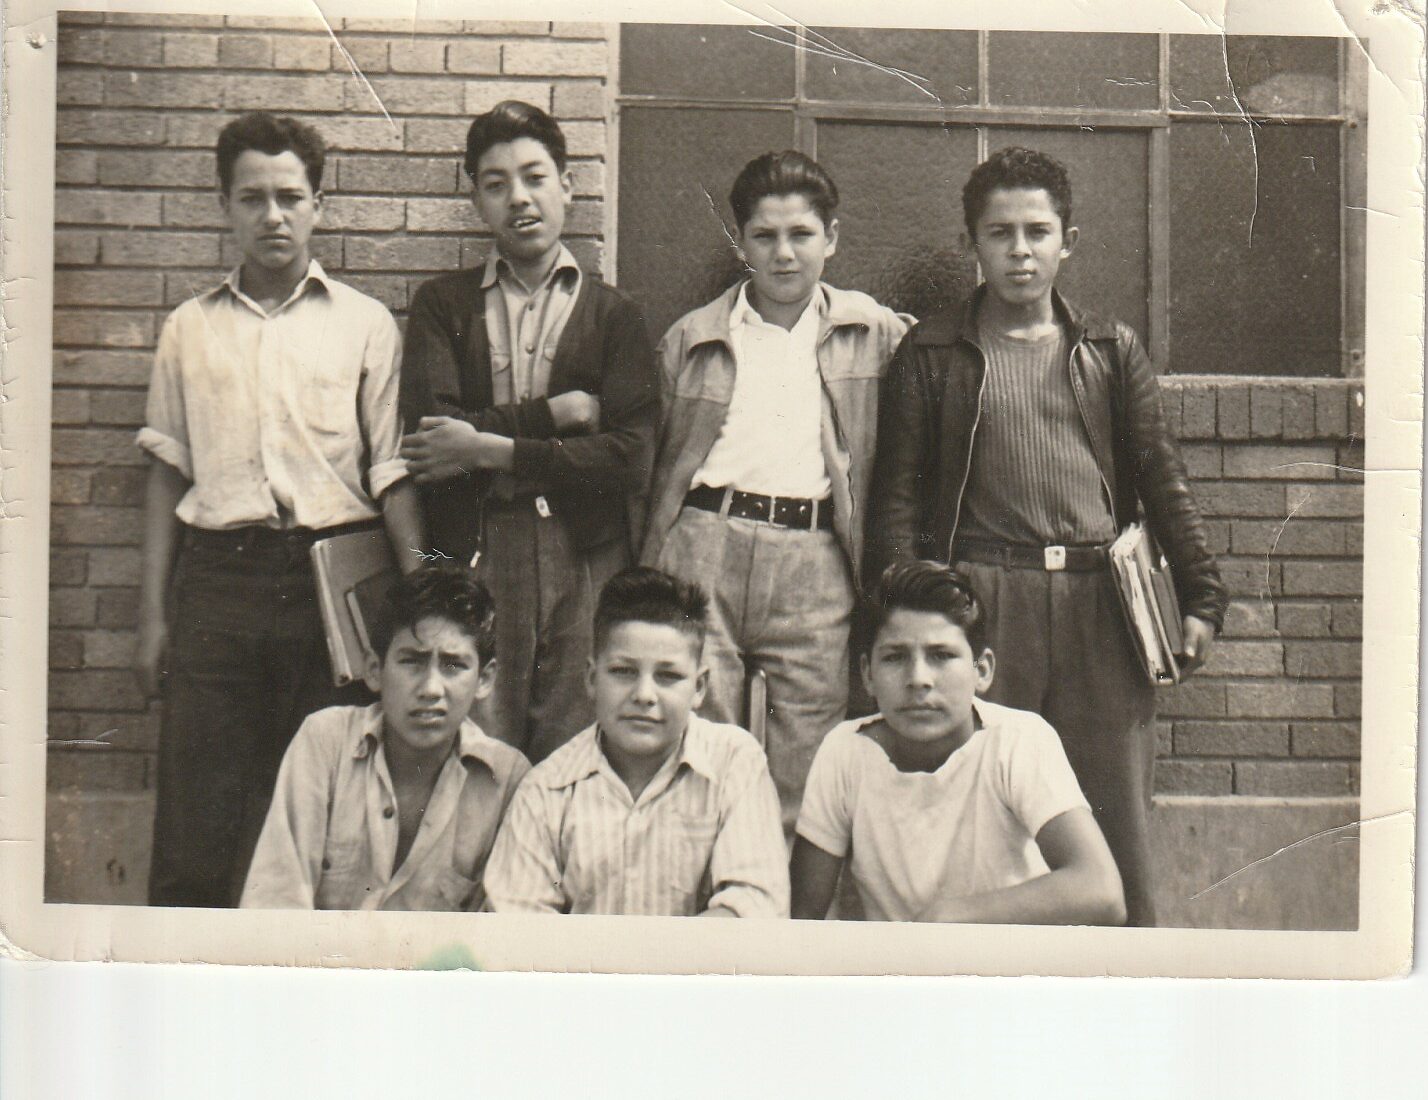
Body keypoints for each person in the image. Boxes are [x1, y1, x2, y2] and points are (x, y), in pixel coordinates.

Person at [866, 146, 1229, 926]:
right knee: (989, 805)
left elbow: (1162, 479)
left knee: (1114, 816)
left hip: (1104, 605)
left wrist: (1200, 598)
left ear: (1069, 239)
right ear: (973, 244)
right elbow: (894, 499)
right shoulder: (931, 354)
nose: (1021, 251)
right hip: (987, 599)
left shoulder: (1108, 348)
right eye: (1001, 233)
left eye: (1038, 231)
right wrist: (911, 615)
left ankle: (1125, 995)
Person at [133, 112, 424, 908]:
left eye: (290, 196)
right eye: (253, 198)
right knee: (198, 807)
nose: (273, 216)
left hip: (334, 581)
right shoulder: (189, 329)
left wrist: (417, 601)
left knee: (330, 802)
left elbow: (391, 469)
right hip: (219, 582)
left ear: (319, 204)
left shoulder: (364, 324)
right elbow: (165, 474)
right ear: (224, 204)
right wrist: (153, 618)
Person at [638, 150, 911, 832]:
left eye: (802, 235)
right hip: (704, 545)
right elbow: (651, 460)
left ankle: (789, 926)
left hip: (816, 559)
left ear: (832, 239)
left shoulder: (872, 333)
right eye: (765, 236)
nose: (784, 254)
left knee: (810, 759)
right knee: (696, 743)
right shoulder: (694, 338)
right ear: (741, 244)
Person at [398, 100, 657, 764]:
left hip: (588, 550)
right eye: (496, 183)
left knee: (576, 744)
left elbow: (631, 458)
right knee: (479, 739)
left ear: (567, 185)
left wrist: (491, 447)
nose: (519, 197)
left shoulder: (616, 315)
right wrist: (559, 416)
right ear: (478, 201)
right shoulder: (442, 305)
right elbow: (433, 443)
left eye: (535, 176)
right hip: (479, 546)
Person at [791, 560, 1125, 925]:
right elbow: (802, 916)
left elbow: (1101, 891)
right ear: (868, 675)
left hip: (1005, 969)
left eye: (942, 656)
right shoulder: (845, 751)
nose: (918, 678)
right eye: (894, 657)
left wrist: (954, 916)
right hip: (900, 973)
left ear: (981, 671)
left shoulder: (1017, 740)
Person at [483, 567, 789, 917]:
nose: (644, 695)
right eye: (624, 671)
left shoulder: (735, 763)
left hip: (698, 971)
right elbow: (520, 926)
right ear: (591, 679)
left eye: (668, 676)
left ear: (700, 687)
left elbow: (753, 902)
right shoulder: (545, 791)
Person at [241, 566, 528, 911]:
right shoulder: (324, 742)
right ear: (375, 671)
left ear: (484, 679)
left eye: (453, 665)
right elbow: (275, 901)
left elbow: (495, 933)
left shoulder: (507, 779)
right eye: (412, 662)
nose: (431, 689)